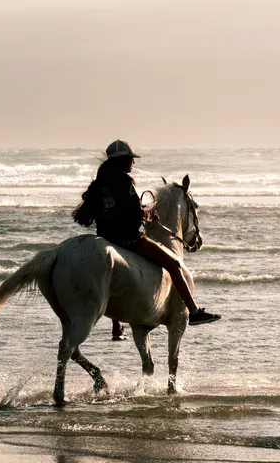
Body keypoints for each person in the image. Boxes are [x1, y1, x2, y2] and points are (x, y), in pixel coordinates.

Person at [72, 140, 221, 326]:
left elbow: (103, 212)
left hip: (105, 237)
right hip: (127, 239)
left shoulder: (98, 185)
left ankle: (116, 324)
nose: (133, 163)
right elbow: (134, 212)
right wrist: (149, 214)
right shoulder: (124, 180)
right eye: (130, 159)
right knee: (174, 265)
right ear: (123, 160)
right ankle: (194, 311)